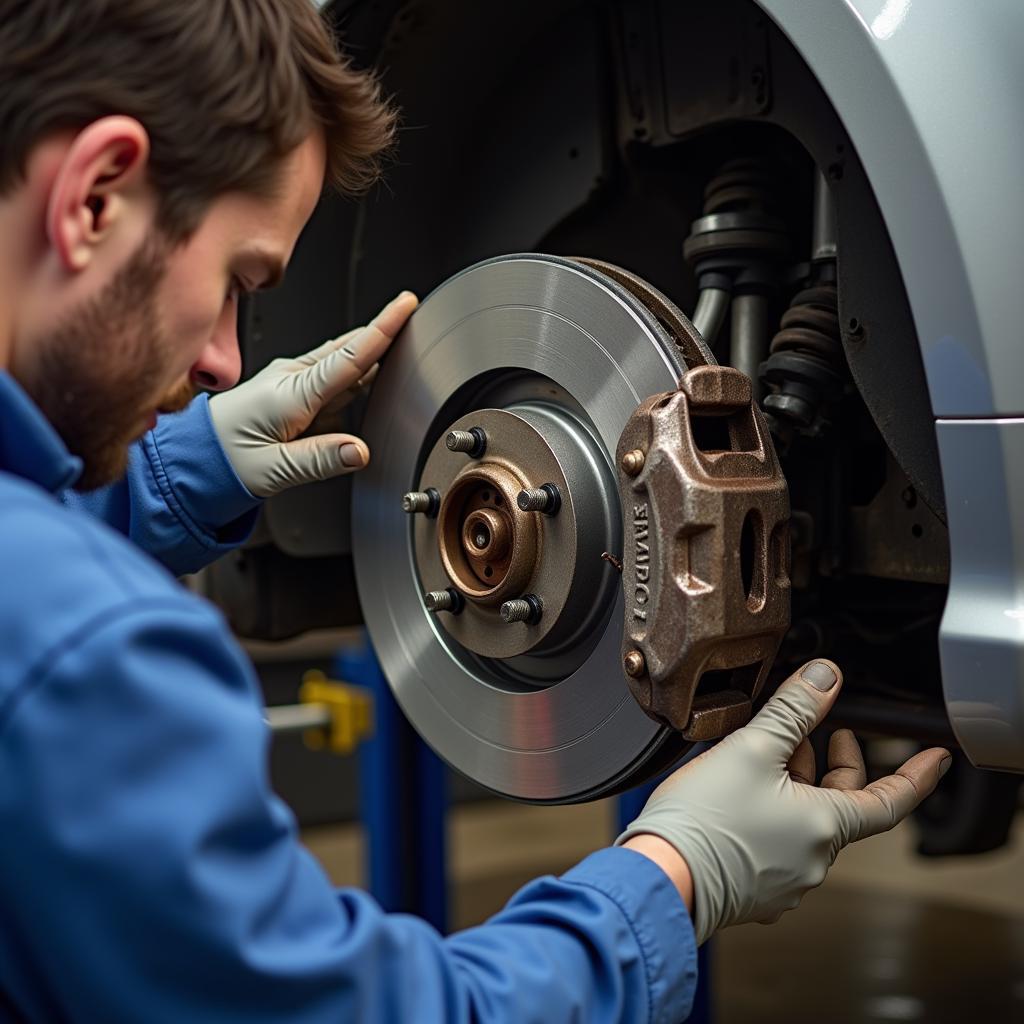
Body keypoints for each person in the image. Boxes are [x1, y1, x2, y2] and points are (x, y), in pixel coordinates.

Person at [0, 2, 950, 1021]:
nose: (228, 358)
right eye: (238, 282)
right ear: (96, 197)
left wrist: (173, 476)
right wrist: (673, 874)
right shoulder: (89, 655)